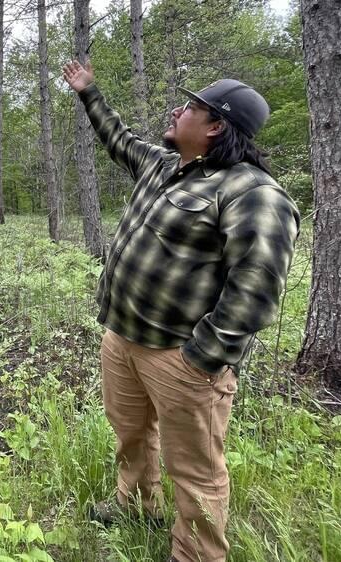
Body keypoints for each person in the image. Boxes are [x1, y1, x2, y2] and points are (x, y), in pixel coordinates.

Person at [61, 59, 300, 562]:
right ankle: (135, 506)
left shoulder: (251, 192)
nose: (177, 110)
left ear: (215, 127)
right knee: (130, 435)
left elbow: (256, 289)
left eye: (191, 107)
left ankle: (196, 553)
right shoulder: (162, 165)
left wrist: (202, 359)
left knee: (196, 471)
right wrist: (88, 92)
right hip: (122, 338)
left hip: (180, 357)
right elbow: (118, 138)